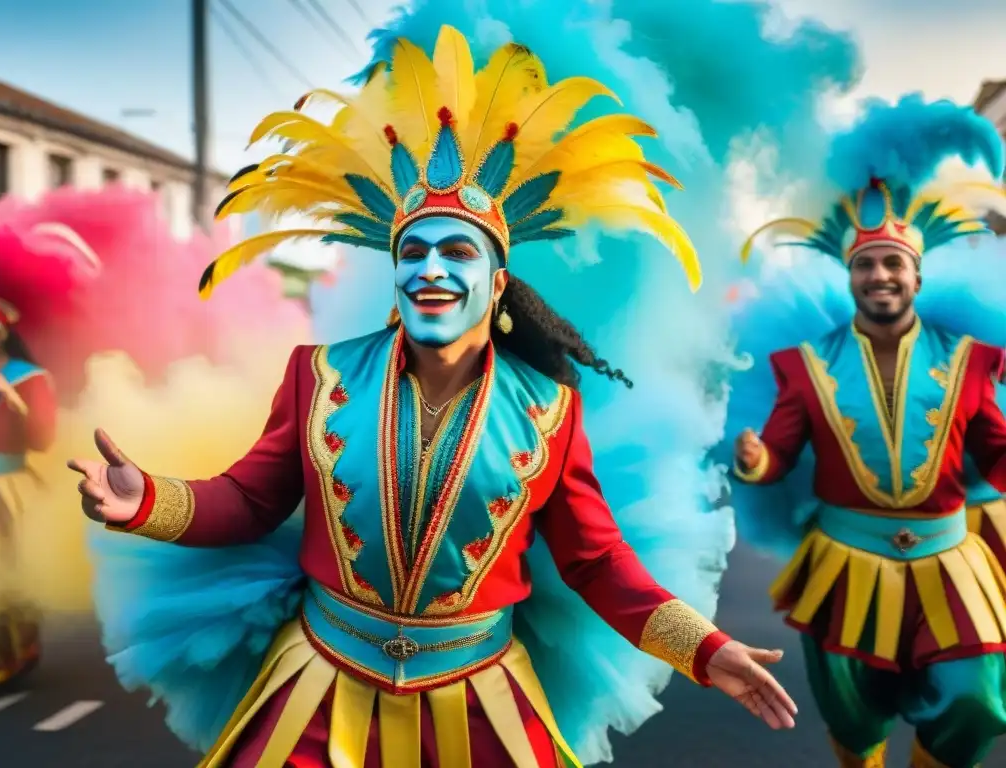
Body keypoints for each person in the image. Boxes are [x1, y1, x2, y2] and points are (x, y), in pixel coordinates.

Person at [71, 25, 797, 768]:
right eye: (411, 252)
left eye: (456, 253)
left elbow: (596, 561)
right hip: (320, 688)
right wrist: (150, 502)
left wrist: (704, 650)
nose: (430, 270)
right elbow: (251, 501)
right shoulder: (317, 376)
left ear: (496, 280)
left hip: (481, 696)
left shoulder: (549, 410)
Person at [732, 95, 1006, 768]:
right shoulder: (804, 365)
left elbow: (996, 453)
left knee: (978, 705)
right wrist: (756, 460)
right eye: (866, 265)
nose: (879, 276)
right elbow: (781, 455)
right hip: (845, 566)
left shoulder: (971, 359)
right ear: (849, 275)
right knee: (854, 722)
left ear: (916, 274)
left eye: (892, 265)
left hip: (950, 562)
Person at [0, 291, 57, 697]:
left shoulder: (28, 378)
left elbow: (44, 440)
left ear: (2, 333)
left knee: (8, 576)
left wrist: (8, 398)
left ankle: (14, 654)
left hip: (8, 491)